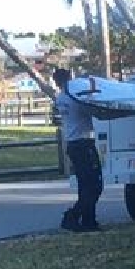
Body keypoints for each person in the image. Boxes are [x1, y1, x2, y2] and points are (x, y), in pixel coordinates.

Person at [53, 68, 103, 232]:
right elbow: (92, 110)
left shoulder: (60, 98)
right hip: (83, 143)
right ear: (69, 79)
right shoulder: (75, 99)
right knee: (95, 185)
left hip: (73, 144)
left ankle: (89, 220)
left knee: (85, 185)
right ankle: (72, 216)